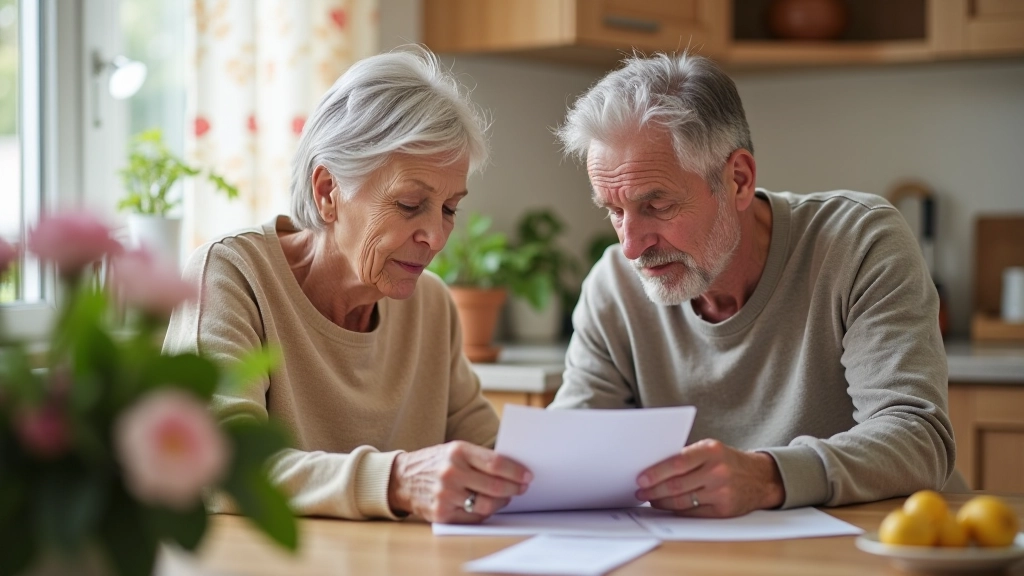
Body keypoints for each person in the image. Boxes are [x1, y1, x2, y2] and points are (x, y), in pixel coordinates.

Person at [549, 52, 956, 518]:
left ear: (738, 180)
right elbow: (570, 448)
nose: (632, 247)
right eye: (614, 211)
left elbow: (918, 438)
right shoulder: (614, 286)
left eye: (657, 206)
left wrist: (766, 477)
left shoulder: (860, 243)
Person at [164, 47, 531, 523]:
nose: (436, 236)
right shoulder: (232, 275)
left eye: (449, 208)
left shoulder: (431, 305)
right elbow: (220, 466)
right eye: (409, 204)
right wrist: (395, 481)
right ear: (327, 192)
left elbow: (491, 451)